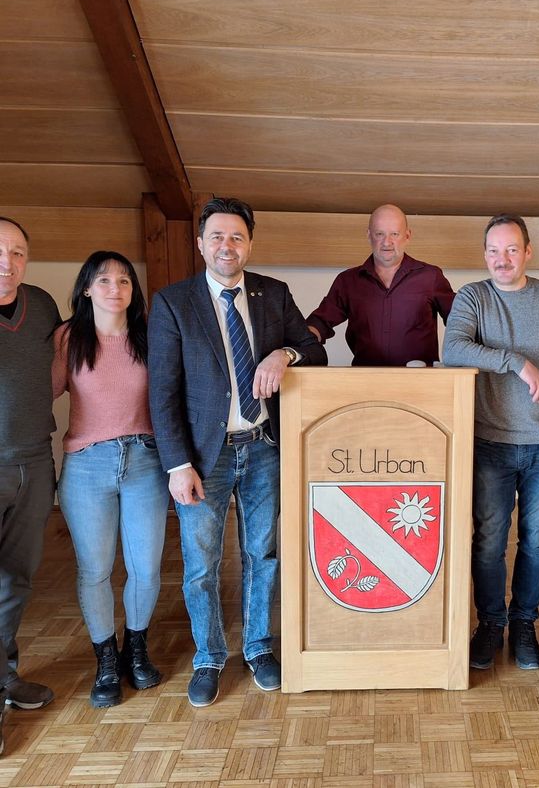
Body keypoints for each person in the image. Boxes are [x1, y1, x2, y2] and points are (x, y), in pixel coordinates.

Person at [148, 196, 327, 707]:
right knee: (201, 564)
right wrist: (177, 464)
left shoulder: (273, 293)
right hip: (203, 456)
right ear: (200, 243)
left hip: (263, 446)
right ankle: (209, 656)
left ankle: (258, 647)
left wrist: (283, 353)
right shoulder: (173, 302)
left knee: (261, 554)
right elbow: (162, 391)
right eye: (217, 237)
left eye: (237, 237)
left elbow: (314, 350)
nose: (227, 246)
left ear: (249, 244)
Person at [443, 213, 539, 670]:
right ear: (484, 254)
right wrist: (516, 361)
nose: (502, 259)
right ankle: (490, 624)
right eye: (493, 250)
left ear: (527, 252)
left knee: (536, 541)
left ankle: (524, 624)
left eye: (511, 249)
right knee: (489, 542)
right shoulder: (473, 297)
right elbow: (453, 350)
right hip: (491, 443)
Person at [52, 251, 169, 708]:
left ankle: (135, 650)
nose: (115, 288)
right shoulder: (68, 337)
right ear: (86, 288)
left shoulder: (151, 335)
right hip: (87, 466)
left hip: (145, 462)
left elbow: (171, 395)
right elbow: (40, 394)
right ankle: (105, 661)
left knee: (146, 568)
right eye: (103, 280)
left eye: (124, 281)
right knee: (95, 570)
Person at [0, 216, 59, 749]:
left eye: (18, 252)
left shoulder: (40, 305)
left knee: (16, 580)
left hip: (35, 461)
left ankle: (6, 677)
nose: (7, 263)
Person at [306, 204, 454, 365]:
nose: (387, 242)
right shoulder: (347, 281)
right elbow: (319, 323)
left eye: (394, 234)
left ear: (407, 236)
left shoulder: (431, 277)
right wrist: (299, 347)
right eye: (379, 234)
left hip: (421, 377)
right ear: (369, 235)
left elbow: (461, 320)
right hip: (365, 376)